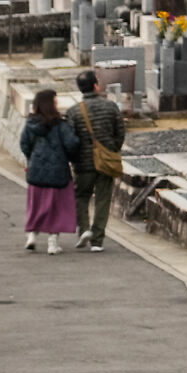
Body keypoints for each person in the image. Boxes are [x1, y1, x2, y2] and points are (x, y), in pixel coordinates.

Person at [69, 70, 125, 252]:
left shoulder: (74, 111)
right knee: (103, 199)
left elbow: (70, 139)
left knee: (81, 196)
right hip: (106, 161)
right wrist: (112, 149)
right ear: (95, 85)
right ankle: (97, 240)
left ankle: (84, 228)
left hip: (83, 163)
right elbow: (120, 132)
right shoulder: (111, 107)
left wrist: (74, 158)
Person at [19, 89, 79, 255]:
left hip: (36, 171)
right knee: (56, 207)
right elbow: (72, 144)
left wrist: (33, 158)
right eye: (55, 100)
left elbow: (24, 144)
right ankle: (52, 243)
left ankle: (32, 236)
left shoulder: (30, 124)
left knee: (36, 205)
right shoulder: (60, 124)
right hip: (58, 171)